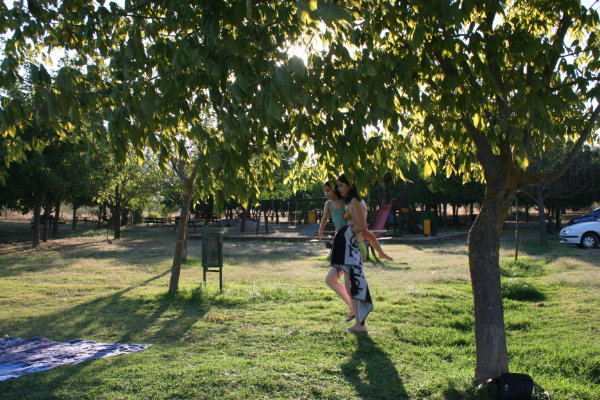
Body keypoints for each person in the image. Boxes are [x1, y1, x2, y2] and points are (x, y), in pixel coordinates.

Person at [329, 173, 374, 332]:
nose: (339, 188)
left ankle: (360, 325)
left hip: (353, 249)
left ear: (350, 185)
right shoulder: (352, 201)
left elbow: (362, 226)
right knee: (350, 286)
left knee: (354, 286)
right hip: (350, 248)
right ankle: (358, 323)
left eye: (341, 185)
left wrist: (344, 232)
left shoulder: (355, 201)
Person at [318, 182, 393, 261]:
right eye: (325, 191)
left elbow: (353, 211)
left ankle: (381, 253)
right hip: (340, 231)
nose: (326, 193)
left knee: (372, 237)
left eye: (328, 190)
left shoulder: (344, 200)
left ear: (335, 189)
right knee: (341, 251)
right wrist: (321, 231)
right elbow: (324, 218)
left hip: (353, 228)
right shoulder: (328, 204)